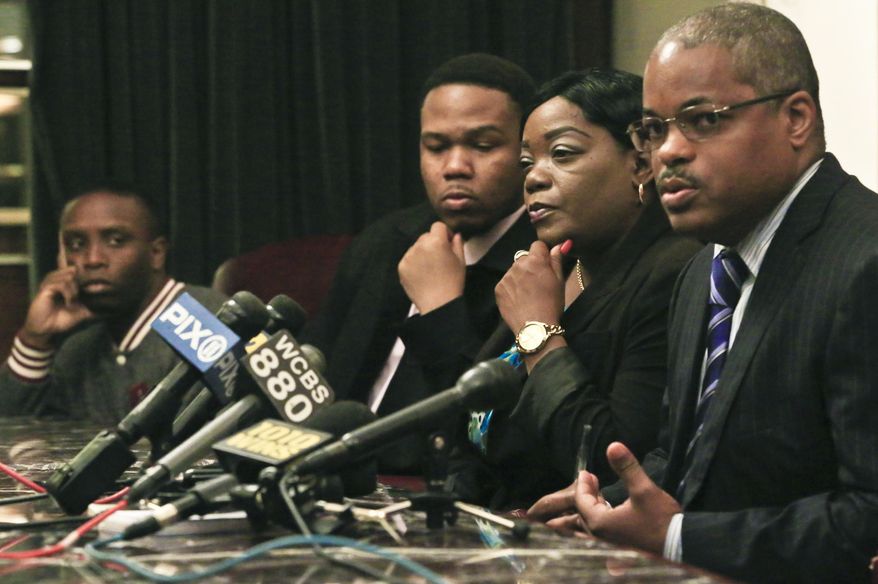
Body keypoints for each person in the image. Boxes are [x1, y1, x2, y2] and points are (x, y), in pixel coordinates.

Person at [528, 4, 878, 582]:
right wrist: (606, 507)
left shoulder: (864, 263)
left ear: (795, 118)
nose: (667, 152)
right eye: (654, 129)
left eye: (703, 120)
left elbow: (869, 514)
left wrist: (677, 536)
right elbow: (686, 457)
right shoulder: (707, 268)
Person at [447, 69, 702, 510]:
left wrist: (537, 333)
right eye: (528, 162)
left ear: (640, 164)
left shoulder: (675, 273)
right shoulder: (553, 268)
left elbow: (614, 464)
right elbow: (471, 428)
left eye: (562, 154)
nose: (533, 179)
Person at [300, 53, 536, 473]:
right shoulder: (384, 241)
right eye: (436, 147)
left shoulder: (541, 262)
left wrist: (441, 309)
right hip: (338, 482)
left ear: (526, 152)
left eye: (482, 146)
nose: (455, 167)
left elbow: (500, 435)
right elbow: (318, 374)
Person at [0, 183, 226, 425]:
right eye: (76, 244)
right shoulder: (77, 347)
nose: (92, 259)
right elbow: (14, 438)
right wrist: (35, 342)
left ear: (156, 253)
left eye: (116, 241)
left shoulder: (206, 323)